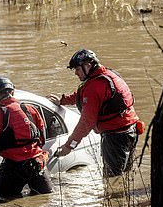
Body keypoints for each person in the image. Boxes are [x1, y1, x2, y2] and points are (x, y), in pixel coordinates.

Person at [49, 49, 141, 177]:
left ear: (88, 65)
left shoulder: (95, 86)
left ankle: (114, 197)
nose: (75, 73)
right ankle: (125, 196)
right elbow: (84, 95)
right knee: (125, 175)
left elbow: (86, 122)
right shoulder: (108, 75)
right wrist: (63, 100)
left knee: (112, 178)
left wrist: (69, 146)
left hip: (115, 137)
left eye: (77, 69)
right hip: (131, 130)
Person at [0, 75, 53, 202]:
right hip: (37, 164)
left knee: (4, 203)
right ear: (12, 92)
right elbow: (42, 138)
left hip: (13, 168)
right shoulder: (30, 109)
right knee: (44, 202)